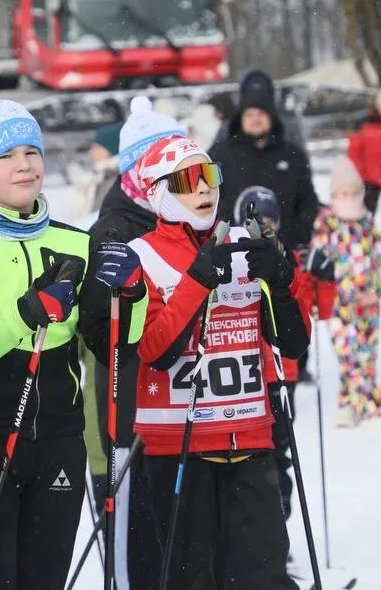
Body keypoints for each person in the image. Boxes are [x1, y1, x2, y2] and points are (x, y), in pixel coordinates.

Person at [0, 89, 110, 589]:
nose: (24, 165)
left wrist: (128, 297)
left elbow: (108, 341)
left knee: (47, 577)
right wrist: (25, 314)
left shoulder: (77, 241)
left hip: (57, 435)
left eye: (31, 152)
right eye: (6, 155)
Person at [129, 133, 308, 589]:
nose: (206, 189)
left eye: (210, 175)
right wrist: (200, 279)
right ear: (159, 192)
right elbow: (155, 349)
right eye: (190, 180)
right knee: (194, 578)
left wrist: (282, 280)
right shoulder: (142, 255)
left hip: (250, 432)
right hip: (180, 444)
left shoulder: (244, 243)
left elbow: (292, 342)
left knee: (263, 576)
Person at [78, 95, 184, 589]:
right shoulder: (115, 230)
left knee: (183, 544)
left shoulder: (183, 221)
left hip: (187, 406)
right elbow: (103, 336)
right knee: (140, 547)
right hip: (133, 411)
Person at [232, 186, 335, 527]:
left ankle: (278, 526)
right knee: (247, 453)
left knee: (277, 451)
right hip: (242, 372)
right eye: (254, 221)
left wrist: (325, 277)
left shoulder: (292, 262)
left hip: (282, 373)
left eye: (269, 220)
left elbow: (319, 309)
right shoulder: (231, 260)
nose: (263, 228)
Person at [311, 158, 381, 427]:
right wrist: (337, 293)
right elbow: (320, 263)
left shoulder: (367, 224)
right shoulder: (326, 224)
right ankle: (358, 404)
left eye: (353, 192)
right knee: (349, 354)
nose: (349, 198)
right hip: (338, 304)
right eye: (343, 193)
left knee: (367, 353)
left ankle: (360, 403)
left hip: (368, 302)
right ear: (333, 194)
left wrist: (376, 290)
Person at [209, 69, 320, 251]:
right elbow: (209, 198)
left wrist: (294, 239)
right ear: (240, 118)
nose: (255, 119)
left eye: (261, 113)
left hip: (284, 254)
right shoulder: (221, 154)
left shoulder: (292, 155)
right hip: (233, 252)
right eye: (249, 114)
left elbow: (308, 203)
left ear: (271, 116)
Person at [346, 89, 381, 251]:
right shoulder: (363, 124)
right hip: (370, 177)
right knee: (368, 211)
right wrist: (359, 173)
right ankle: (366, 243)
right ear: (377, 106)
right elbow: (354, 151)